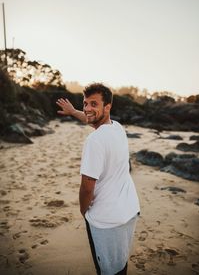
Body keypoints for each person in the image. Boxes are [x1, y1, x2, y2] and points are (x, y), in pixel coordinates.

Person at [56, 83, 140, 275]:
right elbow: (90, 119)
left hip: (106, 221)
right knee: (120, 266)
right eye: (85, 104)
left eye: (93, 104)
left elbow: (87, 188)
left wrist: (84, 212)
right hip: (128, 212)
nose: (87, 109)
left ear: (107, 107)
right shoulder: (117, 128)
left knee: (108, 271)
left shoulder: (94, 141)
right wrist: (72, 111)